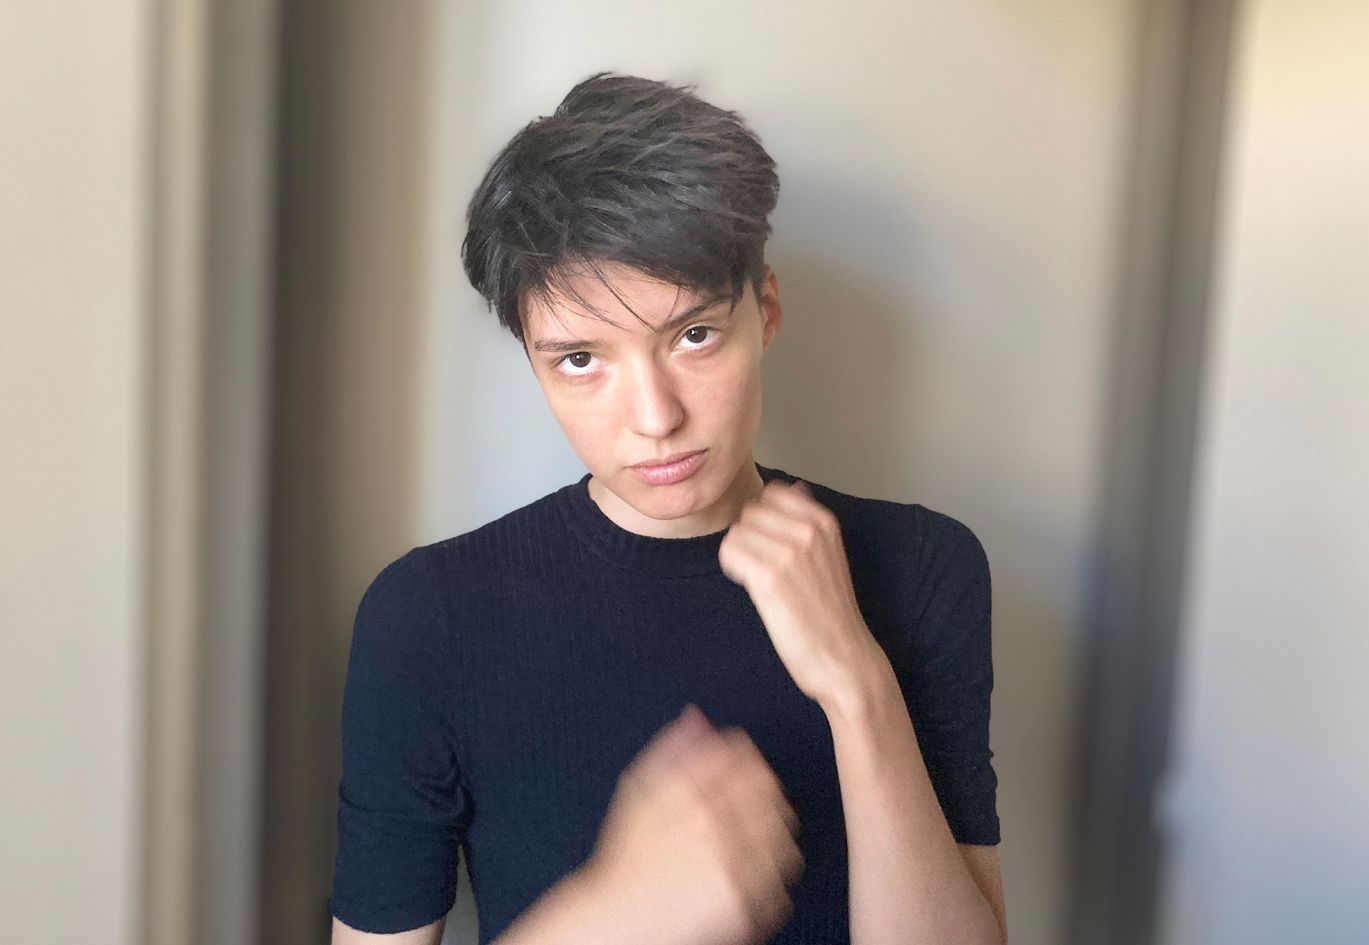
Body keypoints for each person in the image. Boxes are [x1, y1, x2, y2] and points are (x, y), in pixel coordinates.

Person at [328, 71, 1007, 945]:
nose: (655, 418)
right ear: (532, 360)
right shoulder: (428, 617)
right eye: (580, 360)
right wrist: (611, 916)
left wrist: (856, 683)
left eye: (692, 335)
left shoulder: (920, 567)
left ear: (764, 310)